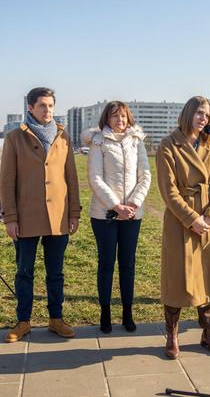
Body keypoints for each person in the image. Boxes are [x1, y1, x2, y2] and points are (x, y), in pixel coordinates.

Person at [1, 87, 81, 343]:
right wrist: (10, 217)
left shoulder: (63, 136)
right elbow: (6, 180)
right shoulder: (15, 137)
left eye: (50, 106)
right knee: (24, 271)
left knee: (55, 272)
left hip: (58, 217)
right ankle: (23, 321)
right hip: (25, 217)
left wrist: (74, 212)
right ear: (30, 108)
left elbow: (71, 178)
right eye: (42, 106)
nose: (47, 110)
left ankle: (55, 319)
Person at [156, 96, 210, 359]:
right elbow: (169, 191)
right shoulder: (168, 145)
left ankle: (209, 331)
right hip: (181, 222)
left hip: (209, 222)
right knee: (177, 278)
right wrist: (192, 219)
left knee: (209, 277)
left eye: (207, 114)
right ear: (188, 113)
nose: (203, 118)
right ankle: (172, 333)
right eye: (199, 113)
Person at [84, 102, 151, 334]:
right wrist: (116, 206)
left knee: (128, 264)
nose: (119, 120)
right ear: (107, 119)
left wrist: (132, 204)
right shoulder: (98, 142)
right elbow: (95, 178)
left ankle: (127, 312)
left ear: (128, 118)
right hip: (105, 215)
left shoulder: (137, 141)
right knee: (106, 264)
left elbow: (145, 175)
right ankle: (105, 313)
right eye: (114, 116)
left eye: (123, 116)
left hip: (132, 214)